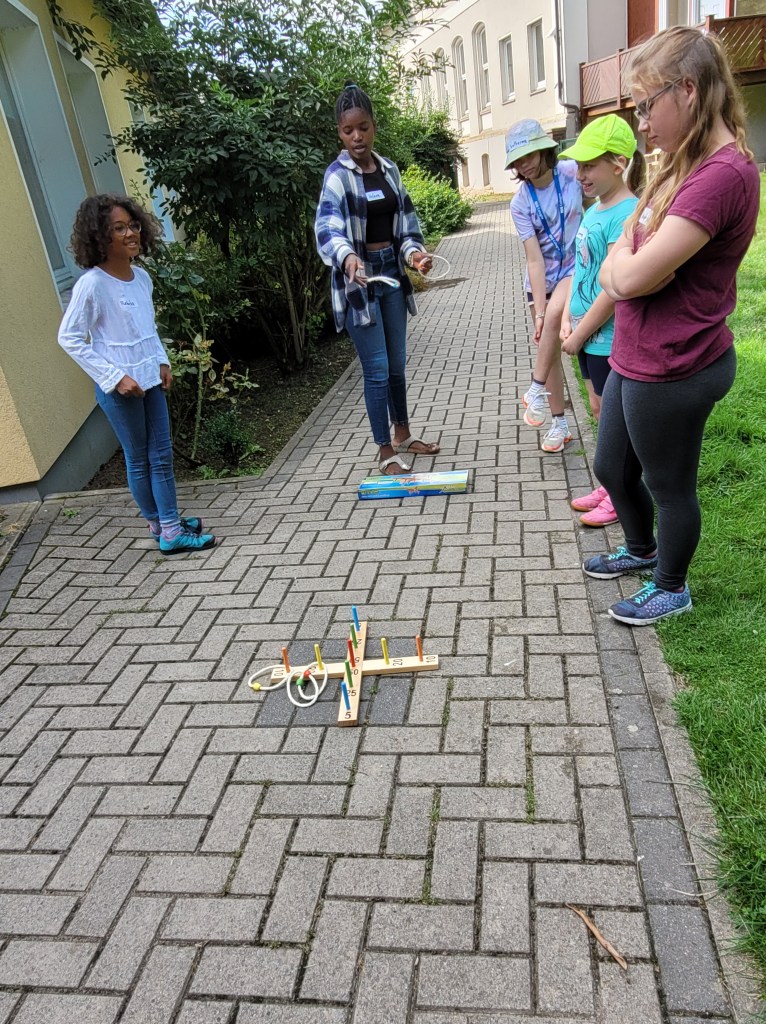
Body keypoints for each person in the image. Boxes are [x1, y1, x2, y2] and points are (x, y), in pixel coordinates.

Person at [582, 26, 760, 625]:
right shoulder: (680, 163)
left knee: (668, 485)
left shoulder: (722, 175)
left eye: (645, 105)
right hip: (638, 351)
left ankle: (671, 587)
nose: (641, 125)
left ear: (686, 90)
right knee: (611, 468)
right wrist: (624, 267)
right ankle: (640, 549)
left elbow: (631, 274)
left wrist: (624, 268)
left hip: (678, 361)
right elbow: (626, 250)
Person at [58, 194, 217, 555]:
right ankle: (168, 530)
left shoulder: (141, 278)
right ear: (100, 236)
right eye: (119, 228)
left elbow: (147, 328)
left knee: (161, 456)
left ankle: (165, 525)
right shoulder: (93, 284)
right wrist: (115, 378)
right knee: (140, 458)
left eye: (132, 225)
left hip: (150, 381)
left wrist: (161, 361)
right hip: (120, 390)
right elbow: (69, 338)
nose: (130, 233)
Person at [315, 82, 440, 475]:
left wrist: (415, 256)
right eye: (348, 130)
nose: (357, 136)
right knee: (377, 368)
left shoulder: (389, 171)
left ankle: (403, 434)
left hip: (392, 275)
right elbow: (327, 229)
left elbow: (407, 227)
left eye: (363, 127)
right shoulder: (337, 177)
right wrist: (348, 257)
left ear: (374, 126)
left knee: (397, 364)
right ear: (340, 133)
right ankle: (385, 451)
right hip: (360, 283)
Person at [557, 115, 644, 527]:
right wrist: (564, 319)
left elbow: (613, 289)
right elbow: (580, 269)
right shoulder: (594, 210)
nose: (581, 174)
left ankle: (621, 493)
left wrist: (579, 334)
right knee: (596, 410)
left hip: (606, 337)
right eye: (579, 165)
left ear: (619, 163)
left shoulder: (628, 213)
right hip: (584, 334)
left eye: (590, 165)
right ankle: (609, 486)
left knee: (614, 421)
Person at [507, 119, 583, 453]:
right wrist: (539, 312)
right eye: (517, 161)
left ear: (542, 150)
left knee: (561, 330)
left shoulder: (572, 172)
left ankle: (535, 389)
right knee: (548, 350)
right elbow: (534, 260)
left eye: (528, 155)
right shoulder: (520, 203)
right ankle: (559, 424)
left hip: (576, 268)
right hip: (543, 280)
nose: (524, 165)